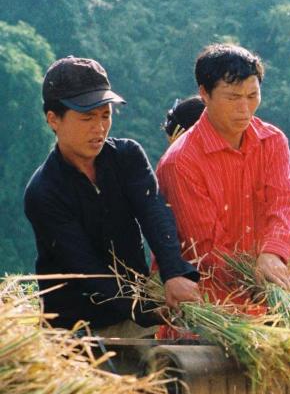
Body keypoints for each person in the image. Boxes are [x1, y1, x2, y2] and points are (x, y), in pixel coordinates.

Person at [23, 56, 200, 334]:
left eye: (105, 115)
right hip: (77, 329)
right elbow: (85, 269)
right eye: (87, 118)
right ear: (53, 120)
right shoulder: (44, 191)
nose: (99, 128)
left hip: (137, 316)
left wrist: (174, 273)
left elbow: (154, 213)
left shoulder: (127, 156)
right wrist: (143, 310)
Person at [156, 44, 290, 301]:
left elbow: (287, 202)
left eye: (252, 96)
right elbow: (206, 249)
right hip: (211, 303)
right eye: (233, 98)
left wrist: (272, 253)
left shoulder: (271, 141)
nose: (245, 109)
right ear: (204, 93)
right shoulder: (180, 163)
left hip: (275, 283)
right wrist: (257, 280)